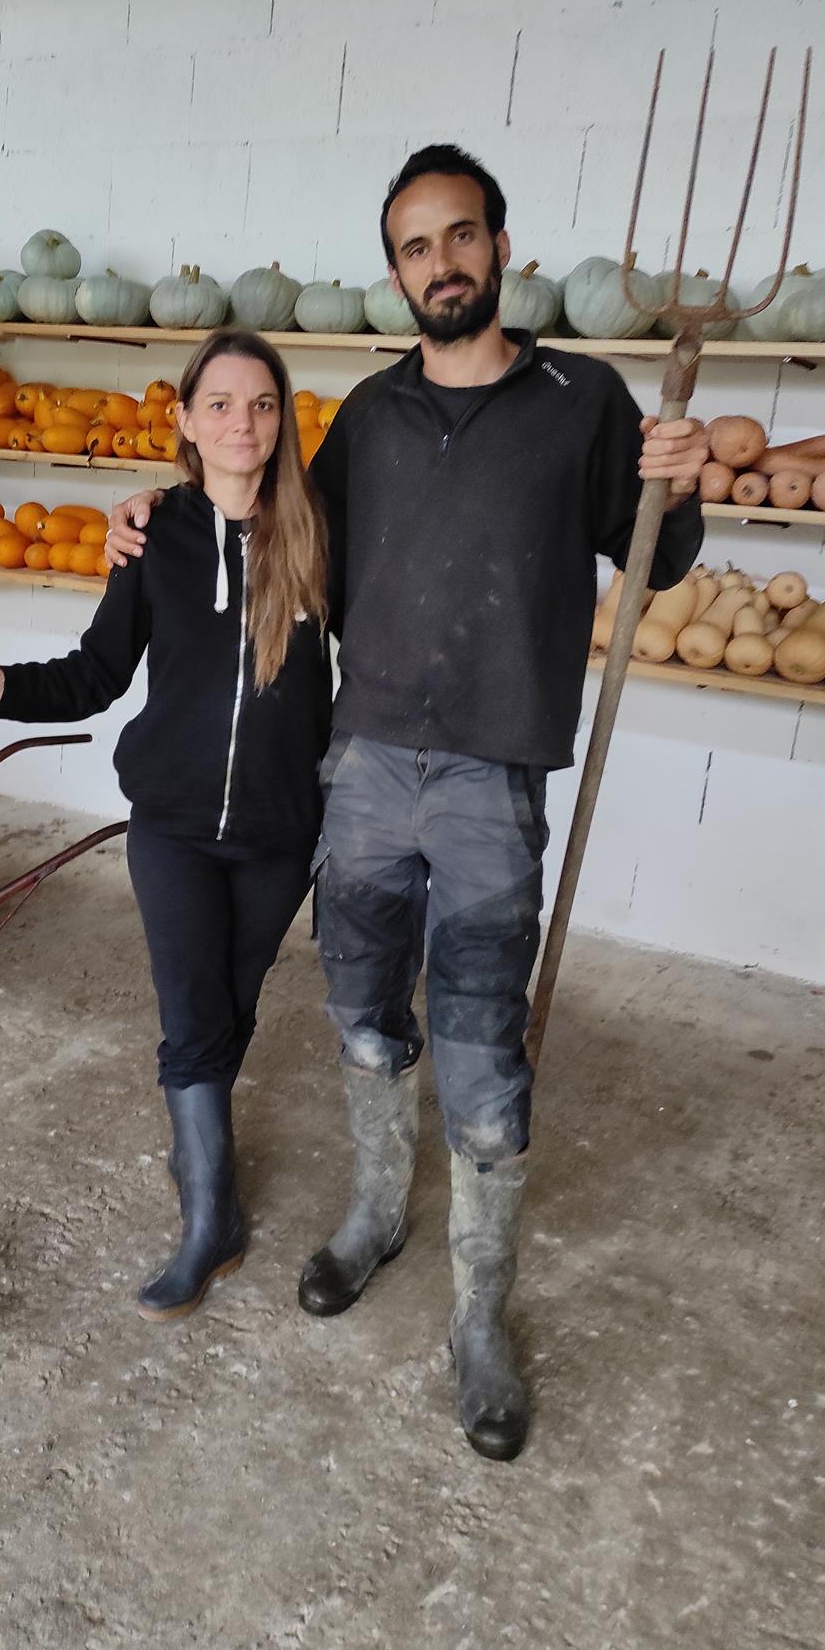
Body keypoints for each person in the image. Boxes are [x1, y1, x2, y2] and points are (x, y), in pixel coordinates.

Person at [105, 144, 709, 1459]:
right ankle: (379, 1210)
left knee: (485, 1044)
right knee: (365, 1006)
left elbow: (652, 560)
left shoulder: (585, 401)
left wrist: (683, 476)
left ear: (502, 247)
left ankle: (480, 1319)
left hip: (493, 776)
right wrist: (149, 520)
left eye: (460, 237)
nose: (440, 264)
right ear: (397, 274)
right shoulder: (367, 421)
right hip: (365, 768)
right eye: (415, 248)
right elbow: (270, 528)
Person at [0, 328, 332, 1323]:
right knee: (191, 1011)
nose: (241, 422)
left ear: (280, 421)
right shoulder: (156, 536)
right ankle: (210, 1219)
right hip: (171, 826)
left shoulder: (324, 533)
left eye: (261, 404)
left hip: (282, 829)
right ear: (185, 423)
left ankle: (194, 1145)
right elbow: (97, 671)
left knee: (231, 1009)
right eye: (220, 404)